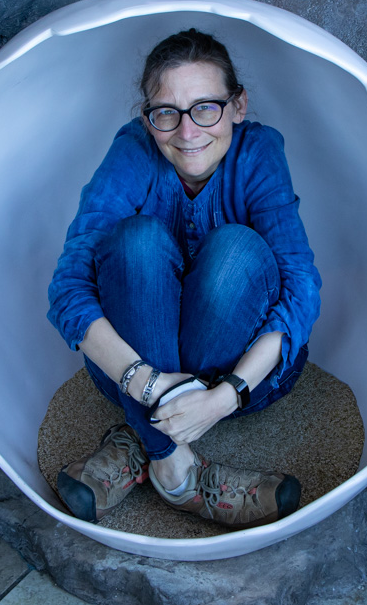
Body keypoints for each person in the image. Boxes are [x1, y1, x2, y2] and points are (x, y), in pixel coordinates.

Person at [47, 29, 321, 529]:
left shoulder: (258, 152)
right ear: (148, 116)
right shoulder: (132, 150)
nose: (188, 131)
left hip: (240, 380)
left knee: (237, 248)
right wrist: (148, 386)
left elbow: (302, 286)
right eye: (167, 113)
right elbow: (67, 288)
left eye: (206, 108)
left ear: (238, 105)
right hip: (137, 376)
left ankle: (139, 442)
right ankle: (177, 473)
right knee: (136, 241)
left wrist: (224, 396)